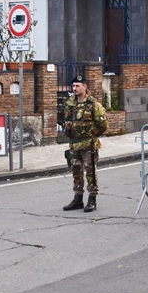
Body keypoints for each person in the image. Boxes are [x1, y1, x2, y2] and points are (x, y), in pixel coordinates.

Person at [62, 74, 107, 212]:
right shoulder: (70, 103)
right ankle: (78, 199)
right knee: (76, 171)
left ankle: (92, 199)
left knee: (90, 171)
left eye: (77, 86)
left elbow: (103, 124)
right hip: (74, 144)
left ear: (85, 87)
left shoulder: (93, 104)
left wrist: (93, 136)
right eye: (73, 86)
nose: (74, 88)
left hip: (88, 145)